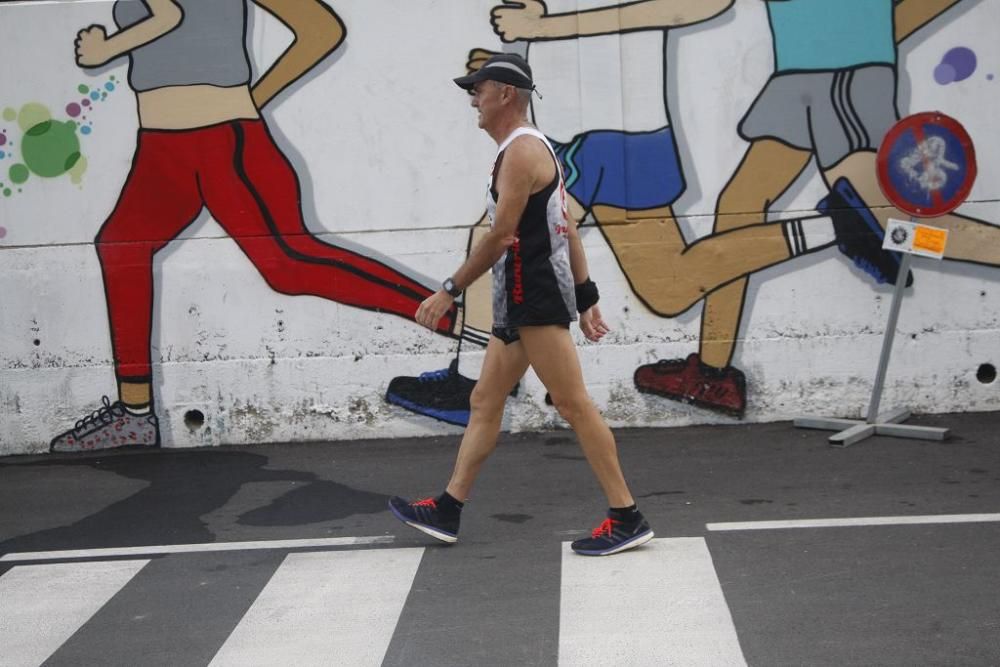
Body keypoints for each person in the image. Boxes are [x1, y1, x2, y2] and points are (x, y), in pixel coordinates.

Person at [50, 0, 460, 452]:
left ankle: (467, 326)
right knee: (121, 247)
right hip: (161, 149)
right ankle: (135, 415)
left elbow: (315, 28)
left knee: (290, 264)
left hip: (223, 140)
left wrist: (107, 49)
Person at [388, 54, 653, 556]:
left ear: (506, 94)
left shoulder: (522, 153)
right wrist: (588, 294)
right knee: (485, 402)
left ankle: (627, 515)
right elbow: (566, 225)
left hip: (532, 296)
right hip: (520, 298)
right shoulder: (530, 149)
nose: (473, 99)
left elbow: (502, 235)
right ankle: (448, 507)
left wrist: (450, 288)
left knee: (574, 404)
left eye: (479, 89)